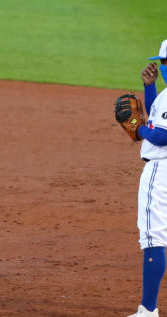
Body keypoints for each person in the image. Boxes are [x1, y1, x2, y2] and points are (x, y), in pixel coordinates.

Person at [129, 39, 167, 317]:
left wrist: (139, 130)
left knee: (153, 236)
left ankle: (148, 310)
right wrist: (150, 88)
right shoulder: (165, 95)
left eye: (164, 63)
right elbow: (158, 118)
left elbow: (161, 135)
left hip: (161, 171)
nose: (162, 67)